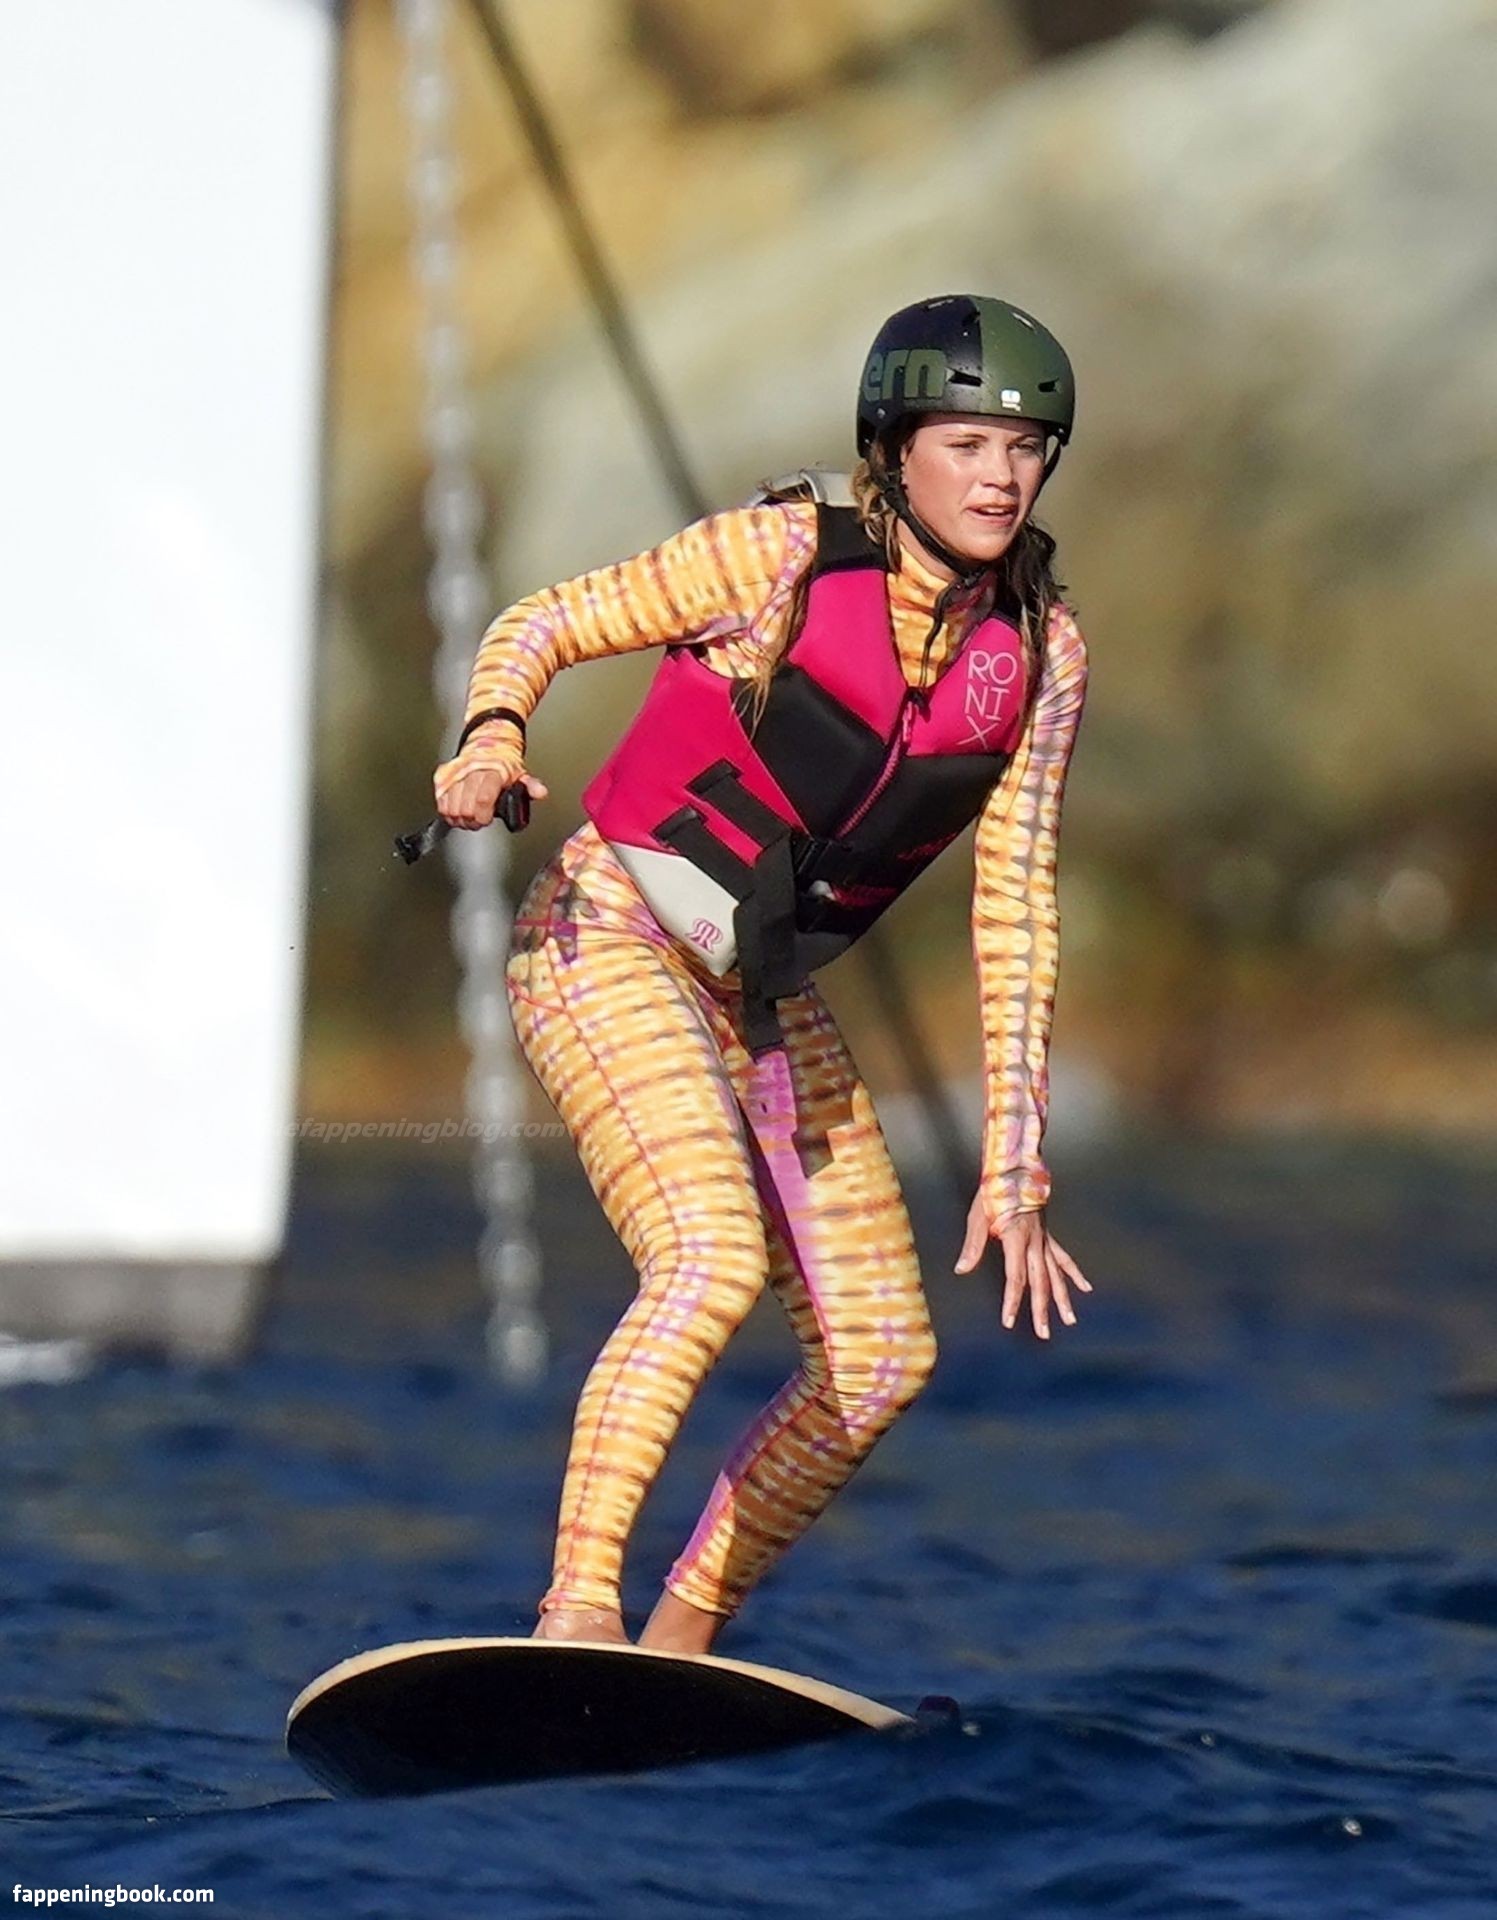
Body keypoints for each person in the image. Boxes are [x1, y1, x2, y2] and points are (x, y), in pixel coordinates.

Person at [433, 293, 1094, 1657]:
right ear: (893, 450)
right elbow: (542, 621)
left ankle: (677, 1647)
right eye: (965, 444)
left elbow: (1017, 904)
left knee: (881, 1358)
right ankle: (575, 1617)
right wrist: (492, 739)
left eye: (1024, 449)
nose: (998, 476)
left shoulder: (1039, 651)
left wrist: (1014, 1161)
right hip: (607, 936)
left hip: (760, 995)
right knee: (709, 1257)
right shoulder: (775, 556)